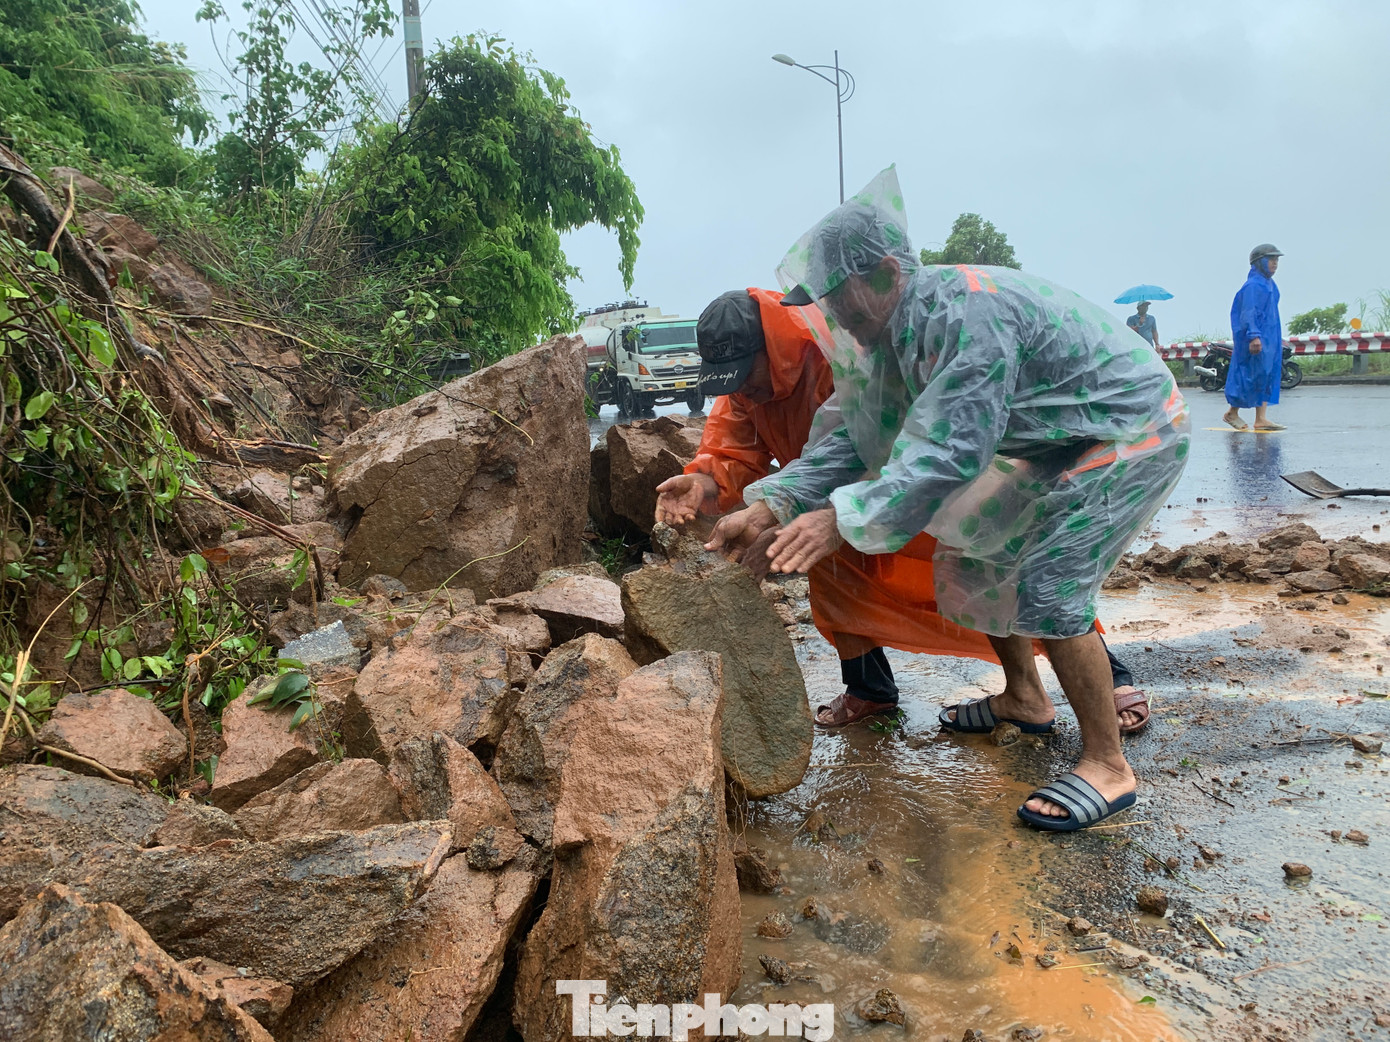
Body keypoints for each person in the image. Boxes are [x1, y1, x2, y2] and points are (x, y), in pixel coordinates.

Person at [705, 168, 1189, 831]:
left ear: (883, 274)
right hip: (1056, 438)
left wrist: (840, 520)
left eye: (838, 297)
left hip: (1131, 429)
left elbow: (948, 452)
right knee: (976, 543)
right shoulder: (890, 336)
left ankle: (1107, 764)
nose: (834, 315)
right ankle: (1025, 698)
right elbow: (858, 435)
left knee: (1051, 581)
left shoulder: (964, 316)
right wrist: (773, 504)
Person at [657, 287, 1152, 735]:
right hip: (818, 500)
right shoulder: (745, 391)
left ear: (774, 350)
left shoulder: (840, 352)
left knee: (1003, 562)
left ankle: (1106, 677)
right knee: (825, 571)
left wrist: (833, 512)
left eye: (748, 374)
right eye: (732, 381)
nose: (744, 389)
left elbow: (900, 444)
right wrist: (704, 483)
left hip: (906, 483)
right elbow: (733, 451)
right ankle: (871, 688)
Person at [1224, 244, 1285, 432]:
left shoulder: (1269, 285)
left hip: (1269, 338)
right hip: (1255, 337)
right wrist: (1254, 336)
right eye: (1271, 259)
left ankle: (1261, 418)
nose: (1275, 263)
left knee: (1265, 375)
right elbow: (1249, 313)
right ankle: (1232, 413)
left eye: (1277, 260)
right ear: (1259, 262)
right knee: (1249, 375)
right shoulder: (1253, 286)